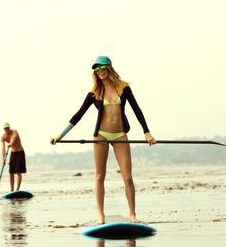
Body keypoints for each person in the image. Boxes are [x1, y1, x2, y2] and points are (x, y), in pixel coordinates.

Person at [51, 56, 156, 224]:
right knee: (100, 176)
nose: (99, 71)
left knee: (128, 177)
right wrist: (60, 135)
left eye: (102, 68)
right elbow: (78, 115)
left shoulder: (124, 87)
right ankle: (101, 216)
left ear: (109, 68)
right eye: (96, 69)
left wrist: (147, 132)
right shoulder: (94, 92)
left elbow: (137, 110)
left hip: (120, 135)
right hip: (101, 135)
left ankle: (133, 215)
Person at [1, 122, 26, 191]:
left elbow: (13, 139)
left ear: (9, 127)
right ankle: (12, 190)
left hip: (20, 152)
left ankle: (17, 190)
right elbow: (3, 148)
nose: (7, 129)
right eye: (5, 128)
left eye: (7, 128)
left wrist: (10, 144)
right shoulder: (3, 137)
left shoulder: (15, 132)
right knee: (11, 172)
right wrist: (3, 159)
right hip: (13, 153)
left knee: (18, 172)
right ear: (4, 129)